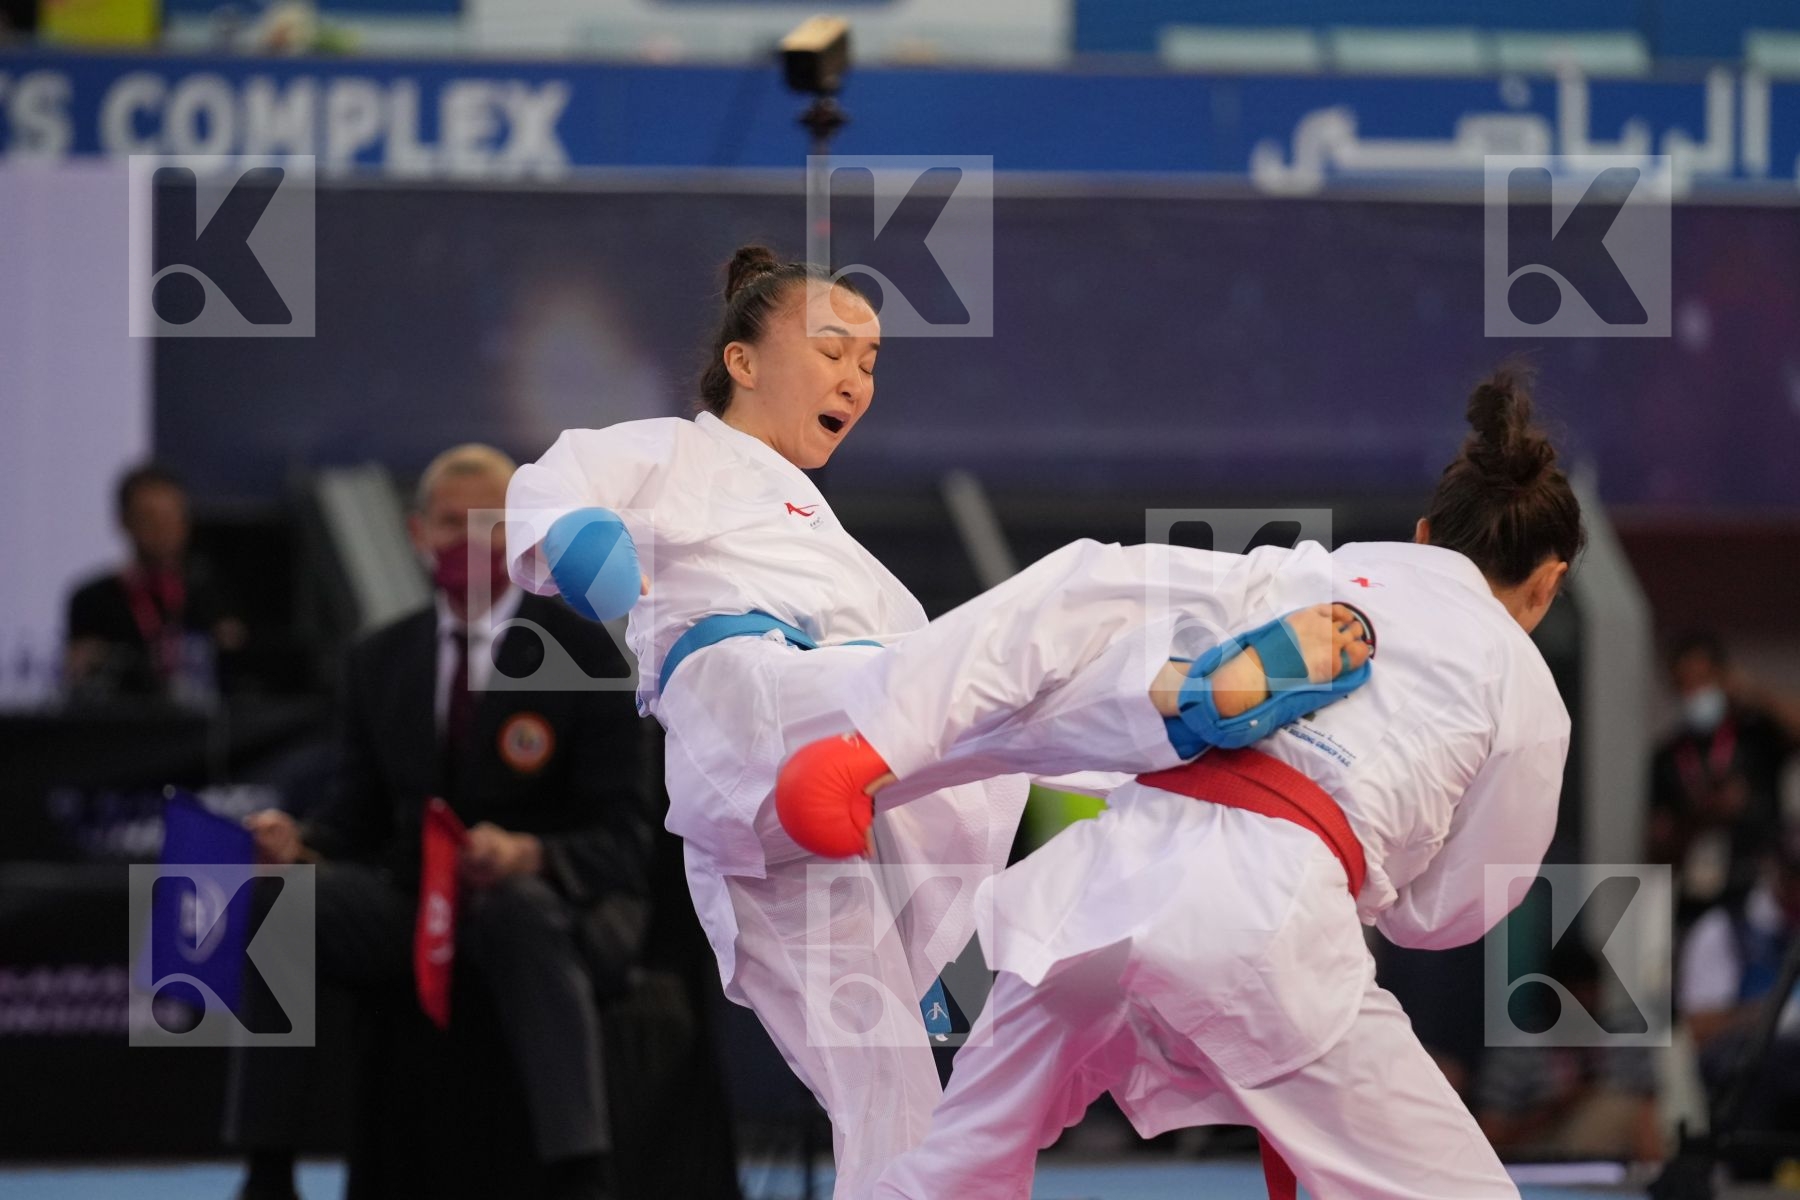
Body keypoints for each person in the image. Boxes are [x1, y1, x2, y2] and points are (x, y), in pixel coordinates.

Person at [504, 245, 1372, 1198]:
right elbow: (555, 484)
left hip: (794, 816)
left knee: (894, 1108)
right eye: (834, 350)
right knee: (1055, 609)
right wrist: (581, 547)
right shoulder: (674, 451)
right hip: (752, 703)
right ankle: (1274, 609)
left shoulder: (836, 548)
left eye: (871, 363)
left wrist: (922, 912)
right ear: (744, 363)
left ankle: (1196, 733)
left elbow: (953, 726)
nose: (855, 379)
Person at [850, 366, 1582, 1200]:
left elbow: (1117, 629)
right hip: (1268, 915)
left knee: (952, 1172)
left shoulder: (1304, 573)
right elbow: (1456, 909)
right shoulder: (1522, 686)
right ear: (1550, 582)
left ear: (1422, 535)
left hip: (1102, 874)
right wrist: (1381, 882)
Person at [230, 445, 657, 1200]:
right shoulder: (378, 659)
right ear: (416, 533)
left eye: (491, 528)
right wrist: (301, 845)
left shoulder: (587, 652)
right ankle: (268, 1168)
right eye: (450, 525)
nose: (469, 545)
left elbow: (626, 836)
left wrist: (528, 854)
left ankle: (579, 1175)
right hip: (409, 899)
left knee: (516, 911)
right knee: (279, 903)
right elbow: (352, 817)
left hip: (541, 902)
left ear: (524, 537)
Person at [1649, 632, 1800, 926]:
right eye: (1685, 685)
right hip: (1698, 898)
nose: (1695, 693)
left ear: (1723, 677)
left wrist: (1752, 691)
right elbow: (1655, 847)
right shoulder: (1669, 756)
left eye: (1702, 681)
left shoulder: (1756, 735)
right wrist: (1700, 818)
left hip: (1761, 886)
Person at [65, 463, 244, 702]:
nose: (163, 529)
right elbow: (81, 679)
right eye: (150, 518)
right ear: (124, 521)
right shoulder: (93, 600)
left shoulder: (211, 592)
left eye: (172, 516)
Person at [1474, 937, 1663, 1163]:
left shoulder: (1625, 1043)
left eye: (1589, 991)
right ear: (1551, 993)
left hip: (1620, 1171)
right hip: (1540, 1166)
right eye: (1572, 993)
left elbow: (1649, 1115)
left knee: (1630, 1109)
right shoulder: (1517, 1052)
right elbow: (1489, 1136)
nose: (1582, 1002)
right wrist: (1560, 1107)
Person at [1679, 823, 1800, 1174]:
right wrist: (1777, 1012)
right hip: (1748, 1070)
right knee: (1764, 1065)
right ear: (1775, 869)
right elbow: (1700, 1028)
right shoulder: (1723, 929)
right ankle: (1751, 1177)